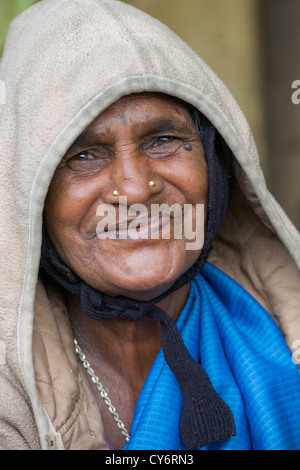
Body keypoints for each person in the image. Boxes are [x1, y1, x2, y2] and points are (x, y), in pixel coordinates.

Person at [0, 0, 300, 451]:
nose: (137, 189)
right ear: (30, 195)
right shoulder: (11, 396)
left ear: (215, 166)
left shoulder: (283, 323)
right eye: (84, 155)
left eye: (164, 140)